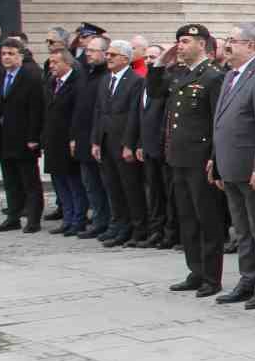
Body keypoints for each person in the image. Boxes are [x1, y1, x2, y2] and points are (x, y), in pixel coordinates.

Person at [209, 23, 255, 309]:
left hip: (252, 168)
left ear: (251, 45)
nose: (227, 46)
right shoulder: (230, 75)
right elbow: (220, 123)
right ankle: (247, 279)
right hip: (230, 166)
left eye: (233, 41)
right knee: (242, 229)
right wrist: (216, 162)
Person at [153, 24, 226, 298]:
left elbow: (217, 122)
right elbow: (155, 92)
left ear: (202, 44)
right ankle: (195, 270)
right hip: (179, 157)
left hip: (200, 159)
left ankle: (211, 276)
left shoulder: (212, 77)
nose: (180, 46)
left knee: (207, 218)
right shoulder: (179, 74)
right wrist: (161, 62)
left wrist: (214, 159)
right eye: (178, 41)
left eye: (185, 41)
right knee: (187, 217)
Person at [91, 39, 147, 248]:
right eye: (108, 54)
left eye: (113, 55)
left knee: (130, 188)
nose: (108, 58)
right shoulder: (105, 80)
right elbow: (98, 111)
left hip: (123, 142)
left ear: (125, 58)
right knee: (112, 187)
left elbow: (134, 114)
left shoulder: (135, 81)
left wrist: (129, 144)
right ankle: (120, 224)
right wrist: (96, 141)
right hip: (106, 141)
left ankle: (138, 228)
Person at [0, 36, 45, 232]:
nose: (6, 57)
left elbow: (36, 110)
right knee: (10, 181)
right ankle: (13, 216)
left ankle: (34, 219)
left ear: (20, 56)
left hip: (24, 139)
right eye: (4, 54)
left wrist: (33, 137)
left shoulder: (31, 77)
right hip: (4, 138)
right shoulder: (0, 76)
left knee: (29, 181)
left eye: (11, 54)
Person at [42, 48, 87, 235]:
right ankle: (67, 218)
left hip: (68, 140)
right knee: (59, 183)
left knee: (73, 183)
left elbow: (78, 114)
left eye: (55, 62)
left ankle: (78, 219)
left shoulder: (77, 83)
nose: (51, 66)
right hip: (53, 140)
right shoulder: (52, 83)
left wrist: (74, 138)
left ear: (67, 63)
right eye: (50, 62)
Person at [71, 33, 111, 238]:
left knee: (104, 184)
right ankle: (98, 219)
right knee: (90, 185)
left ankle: (108, 221)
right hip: (83, 138)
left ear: (105, 53)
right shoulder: (86, 73)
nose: (88, 54)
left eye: (93, 50)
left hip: (99, 139)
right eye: (87, 50)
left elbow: (101, 111)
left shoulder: (106, 77)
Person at [135, 44, 174, 249]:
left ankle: (169, 232)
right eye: (147, 57)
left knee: (167, 193)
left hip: (163, 147)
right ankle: (155, 230)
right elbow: (142, 117)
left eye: (154, 57)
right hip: (148, 146)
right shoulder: (146, 82)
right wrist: (140, 142)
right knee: (154, 193)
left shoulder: (166, 81)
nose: (149, 60)